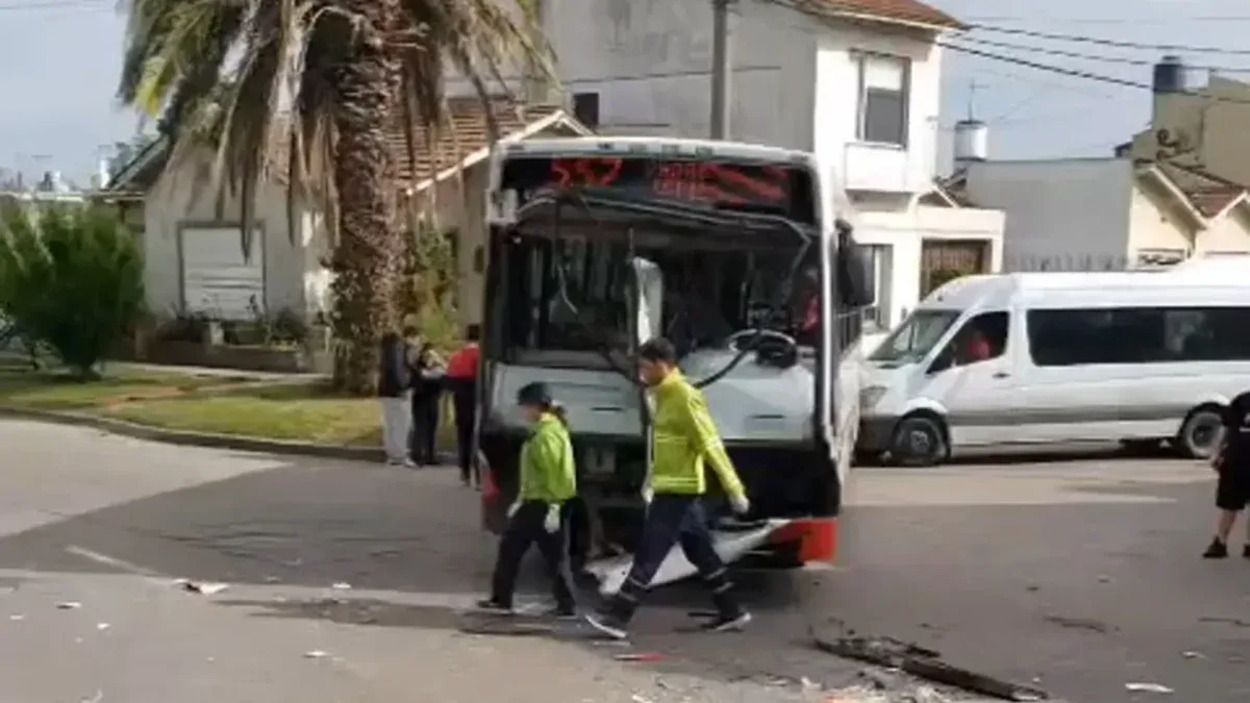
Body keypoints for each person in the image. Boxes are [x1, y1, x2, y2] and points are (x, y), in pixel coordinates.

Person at [586, 337, 752, 640]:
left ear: (662, 365)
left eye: (646, 368)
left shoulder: (684, 396)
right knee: (700, 552)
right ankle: (732, 610)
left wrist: (734, 488)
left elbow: (710, 443)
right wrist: (651, 478)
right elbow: (665, 447)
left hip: (678, 493)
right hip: (673, 489)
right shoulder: (662, 395)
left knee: (649, 556)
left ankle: (617, 618)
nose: (641, 374)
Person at [477, 382, 577, 617]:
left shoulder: (546, 435)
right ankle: (504, 598)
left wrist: (555, 504)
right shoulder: (546, 431)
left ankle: (563, 604)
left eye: (525, 406)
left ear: (536, 407)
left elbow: (556, 472)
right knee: (528, 551)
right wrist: (521, 498)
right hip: (535, 502)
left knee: (543, 554)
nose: (523, 412)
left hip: (544, 504)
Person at [1203, 391, 1250, 559]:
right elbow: (1225, 427)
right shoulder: (1243, 401)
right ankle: (1220, 543)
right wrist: (1216, 453)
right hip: (1236, 460)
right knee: (1229, 505)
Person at [446, 325, 482, 486]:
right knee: (477, 436)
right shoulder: (481, 356)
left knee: (463, 435)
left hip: (460, 399)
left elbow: (449, 378)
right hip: (476, 397)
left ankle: (464, 472)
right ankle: (479, 476)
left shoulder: (457, 357)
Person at [378, 330, 415, 468]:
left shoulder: (384, 352)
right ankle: (401, 455)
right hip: (397, 392)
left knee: (390, 424)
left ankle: (391, 454)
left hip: (385, 391)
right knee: (402, 425)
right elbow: (398, 371)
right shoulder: (398, 350)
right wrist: (404, 387)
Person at [409, 342, 445, 466]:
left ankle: (430, 455)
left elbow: (443, 378)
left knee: (432, 428)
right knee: (420, 427)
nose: (430, 357)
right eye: (427, 354)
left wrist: (438, 364)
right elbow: (417, 380)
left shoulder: (437, 367)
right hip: (421, 399)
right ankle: (417, 454)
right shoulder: (417, 367)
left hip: (432, 399)